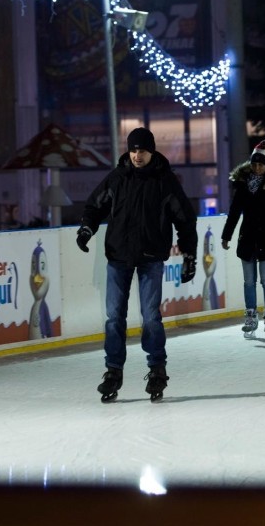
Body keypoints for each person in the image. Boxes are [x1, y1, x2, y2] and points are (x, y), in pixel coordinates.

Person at [76, 127, 198, 402]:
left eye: (142, 150)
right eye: (133, 150)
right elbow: (95, 206)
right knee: (113, 318)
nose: (137, 155)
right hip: (118, 256)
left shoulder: (165, 182)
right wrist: (86, 229)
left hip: (151, 258)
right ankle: (113, 371)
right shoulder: (117, 178)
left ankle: (157, 368)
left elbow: (185, 220)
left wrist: (189, 255)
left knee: (151, 316)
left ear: (151, 151)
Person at [221, 140, 265, 337]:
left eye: (261, 164)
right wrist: (226, 235)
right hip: (248, 237)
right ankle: (250, 315)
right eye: (254, 164)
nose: (257, 168)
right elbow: (234, 212)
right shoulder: (242, 185)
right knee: (248, 281)